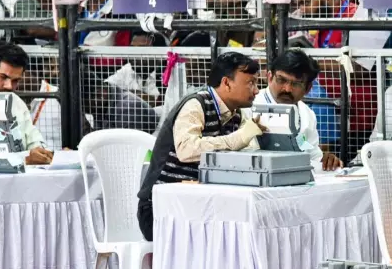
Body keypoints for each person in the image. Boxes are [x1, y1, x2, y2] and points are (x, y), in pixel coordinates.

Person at [137, 53, 266, 241]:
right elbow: (187, 150)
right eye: (250, 83)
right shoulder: (195, 105)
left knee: (243, 230)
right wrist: (238, 138)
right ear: (226, 83)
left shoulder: (237, 115)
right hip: (160, 210)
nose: (256, 91)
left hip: (198, 206)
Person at [253, 49, 342, 171]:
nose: (287, 89)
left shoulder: (306, 115)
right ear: (269, 77)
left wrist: (324, 159)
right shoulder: (251, 105)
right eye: (281, 80)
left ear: (308, 88)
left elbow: (305, 147)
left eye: (296, 84)